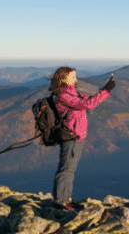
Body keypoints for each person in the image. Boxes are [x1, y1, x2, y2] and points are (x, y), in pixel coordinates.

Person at [49, 66, 115, 210]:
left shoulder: (72, 93)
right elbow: (88, 104)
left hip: (77, 135)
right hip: (71, 136)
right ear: (63, 79)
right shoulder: (63, 95)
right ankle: (60, 202)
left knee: (70, 169)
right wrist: (106, 90)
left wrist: (103, 90)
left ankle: (66, 199)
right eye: (73, 77)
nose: (76, 79)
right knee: (66, 169)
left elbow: (89, 101)